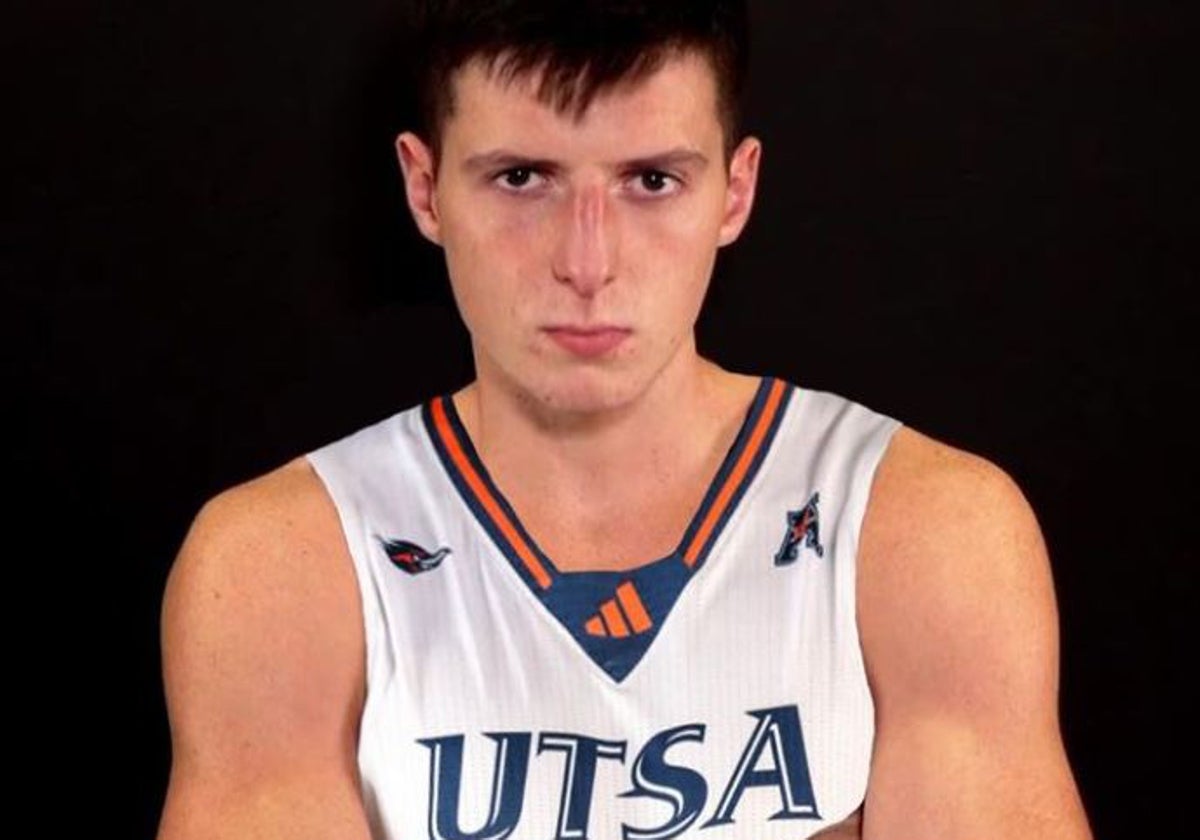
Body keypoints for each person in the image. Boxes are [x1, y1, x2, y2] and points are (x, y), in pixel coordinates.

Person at [156, 2, 1093, 838]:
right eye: (523, 177)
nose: (588, 261)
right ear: (423, 185)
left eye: (651, 181)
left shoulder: (923, 529)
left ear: (736, 188)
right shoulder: (284, 564)